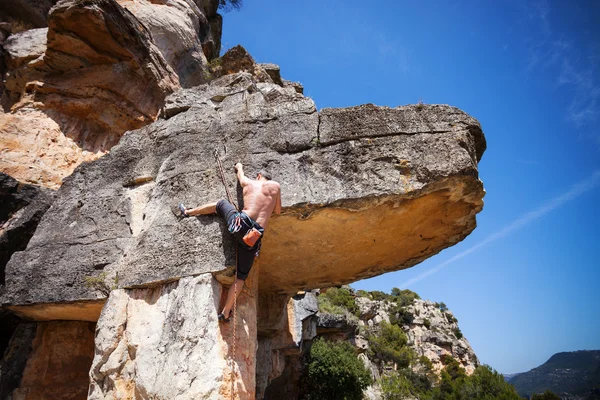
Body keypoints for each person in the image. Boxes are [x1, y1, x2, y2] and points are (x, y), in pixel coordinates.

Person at [179, 163, 281, 322]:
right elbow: (278, 211)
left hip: (239, 224)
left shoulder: (249, 182)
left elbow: (240, 178)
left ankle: (188, 212)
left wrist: (239, 167)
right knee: (241, 277)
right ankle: (226, 312)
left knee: (220, 204)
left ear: (259, 176)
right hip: (253, 237)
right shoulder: (275, 187)